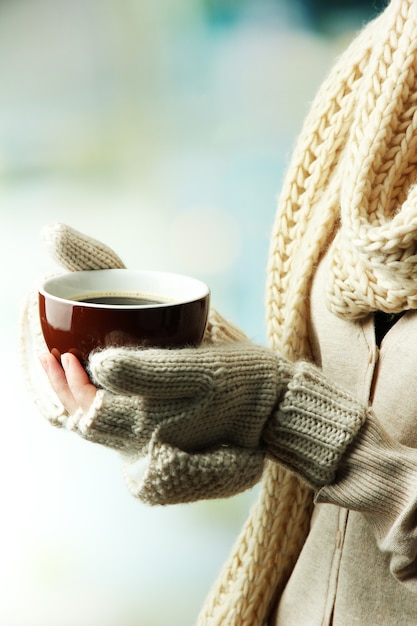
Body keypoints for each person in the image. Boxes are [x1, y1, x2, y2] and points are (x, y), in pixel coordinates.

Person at [21, 0, 417, 623]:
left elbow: (292, 407)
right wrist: (191, 375)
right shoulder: (380, 75)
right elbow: (306, 383)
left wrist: (288, 417)